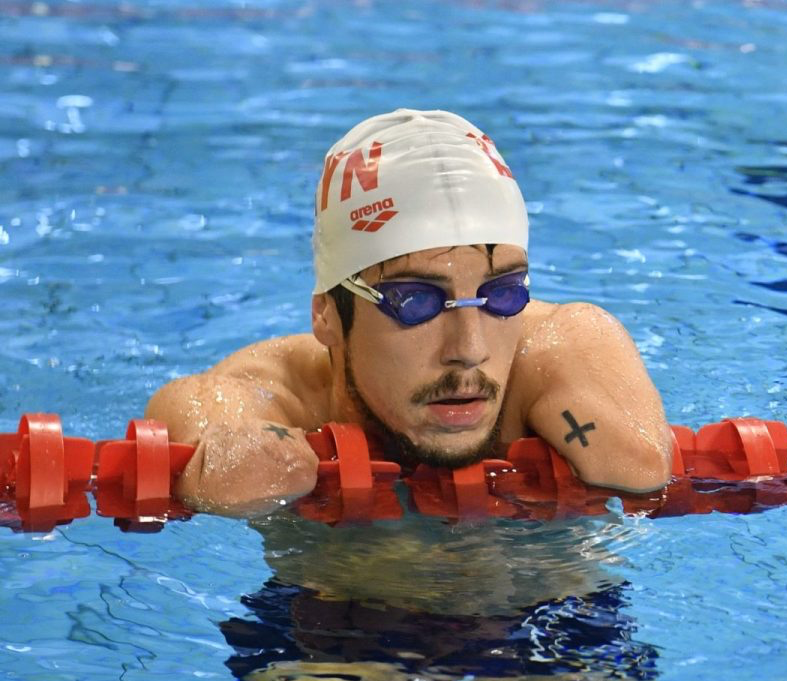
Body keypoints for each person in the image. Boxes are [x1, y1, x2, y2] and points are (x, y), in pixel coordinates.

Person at [147, 108, 673, 516]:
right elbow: (206, 422)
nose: (469, 349)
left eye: (502, 295)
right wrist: (238, 451)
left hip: (558, 625)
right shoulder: (274, 391)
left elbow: (639, 466)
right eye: (416, 302)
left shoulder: (560, 346)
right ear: (327, 314)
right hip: (333, 632)